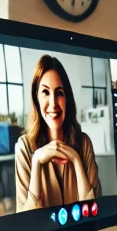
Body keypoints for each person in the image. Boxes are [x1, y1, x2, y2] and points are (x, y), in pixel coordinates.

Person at [15, 54, 101, 212]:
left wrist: (76, 160)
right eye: (46, 93)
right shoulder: (24, 147)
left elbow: (94, 213)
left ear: (67, 98)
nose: (53, 103)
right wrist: (36, 162)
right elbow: (27, 224)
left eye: (59, 93)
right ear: (36, 97)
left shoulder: (84, 143)